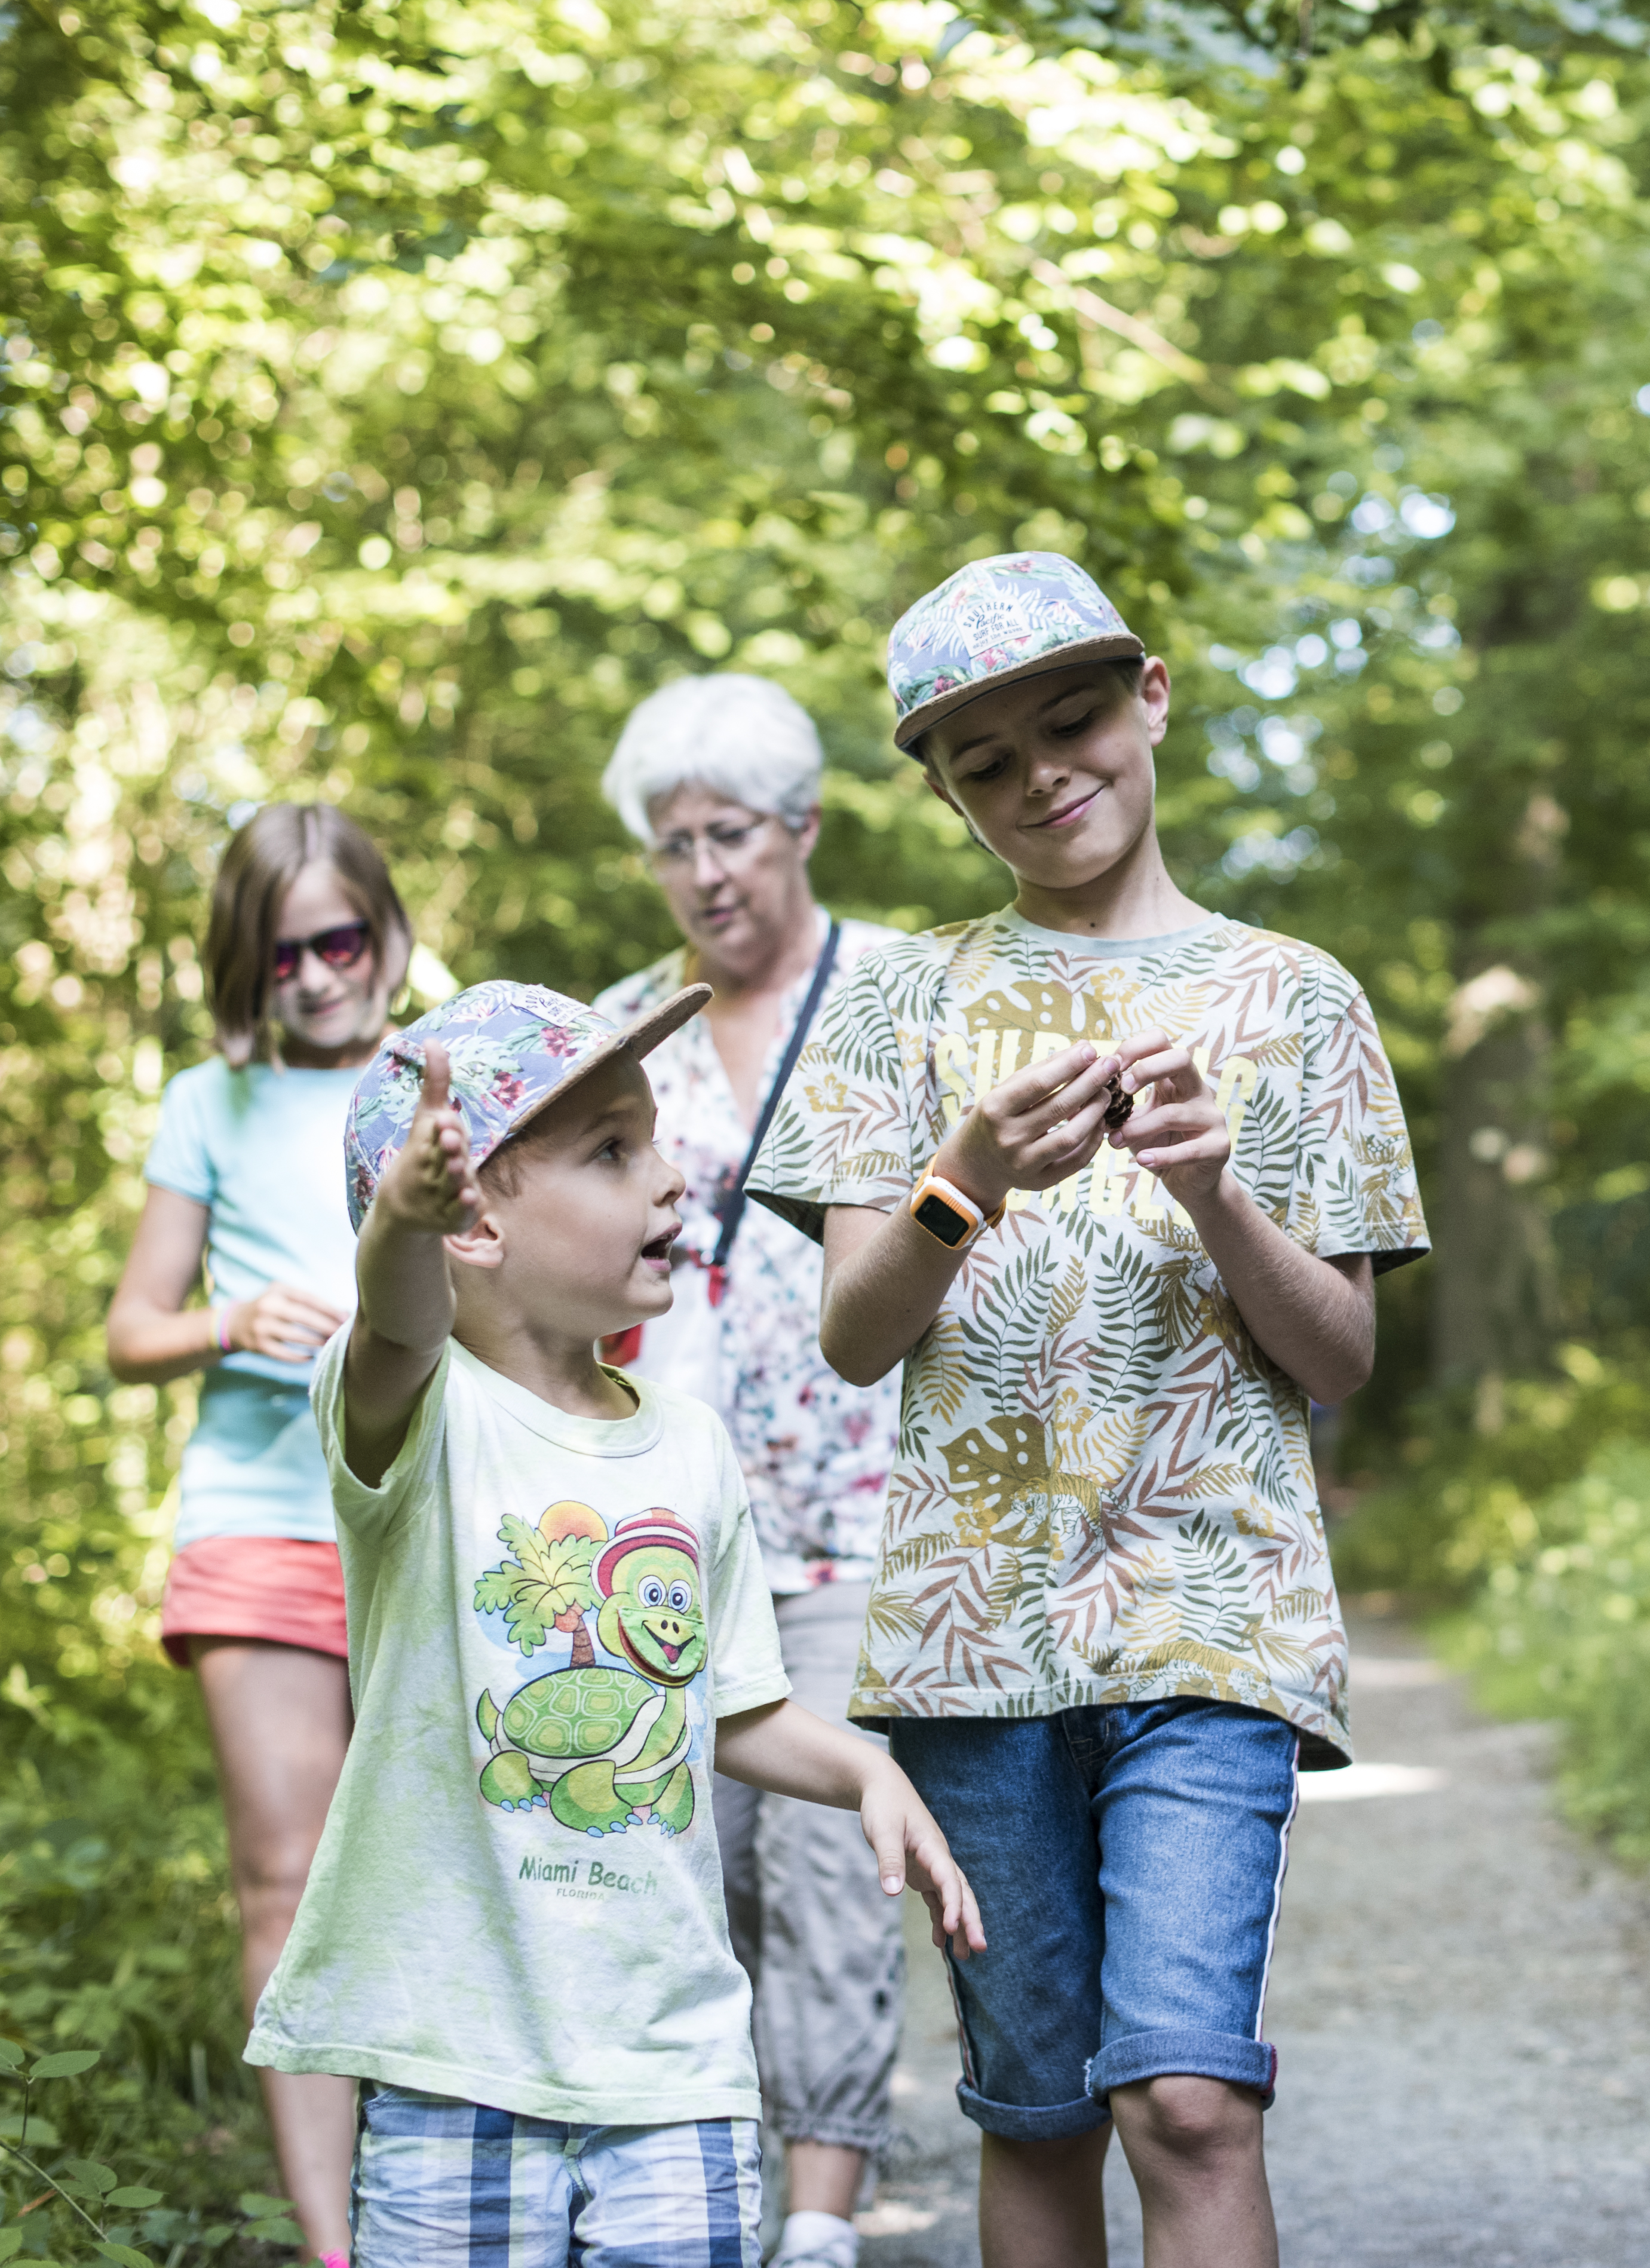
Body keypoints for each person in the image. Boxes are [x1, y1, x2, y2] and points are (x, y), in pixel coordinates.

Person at [750, 551, 1427, 2268]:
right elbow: (851, 1331)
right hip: (975, 1640)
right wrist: (961, 1174)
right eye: (985, 762)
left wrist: (1219, 1195)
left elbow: (1339, 1354)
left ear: (1151, 697)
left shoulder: (1303, 999)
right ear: (944, 792)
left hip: (1216, 1616)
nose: (1042, 774)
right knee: (1036, 2105)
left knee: (1189, 2095)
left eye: (1070, 721)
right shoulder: (895, 1001)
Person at [244, 980, 982, 2268]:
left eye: (653, 1137)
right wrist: (401, 1235)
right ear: (473, 1219)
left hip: (672, 2066)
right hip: (453, 2054)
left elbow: (731, 1708)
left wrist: (864, 1766)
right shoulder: (421, 1423)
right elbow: (394, 1328)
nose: (671, 1175)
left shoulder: (689, 1447)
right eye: (611, 1152)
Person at [593, 675, 907, 2268]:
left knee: (833, 1868)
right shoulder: (625, 1032)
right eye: (674, 844)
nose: (706, 870)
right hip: (668, 1518)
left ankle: (820, 2218)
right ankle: (697, 2183)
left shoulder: (903, 992)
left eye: (730, 833)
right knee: (683, 1860)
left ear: (800, 827)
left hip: (868, 1509)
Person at [106, 801, 416, 2268]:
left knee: (432, 1870)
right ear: (246, 964)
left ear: (383, 932)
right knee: (286, 1883)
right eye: (280, 953)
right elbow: (129, 1331)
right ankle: (330, 2239)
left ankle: (440, 2200)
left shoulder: (444, 1076)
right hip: (260, 1526)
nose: (314, 974)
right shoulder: (203, 1105)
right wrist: (226, 1321)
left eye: (338, 940)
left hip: (424, 1522)